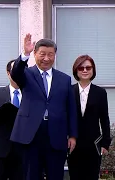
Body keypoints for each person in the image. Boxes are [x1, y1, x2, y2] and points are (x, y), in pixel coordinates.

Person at [10, 34, 78, 180]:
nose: (46, 58)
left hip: (56, 135)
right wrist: (24, 54)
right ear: (35, 54)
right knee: (31, 175)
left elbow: (71, 109)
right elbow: (15, 73)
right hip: (31, 134)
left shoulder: (64, 79)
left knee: (55, 175)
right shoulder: (26, 74)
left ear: (54, 56)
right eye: (42, 54)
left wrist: (72, 135)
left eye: (50, 54)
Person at [67, 55, 111, 180]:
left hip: (94, 145)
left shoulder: (100, 93)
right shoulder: (69, 91)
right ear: (76, 70)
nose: (85, 70)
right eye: (81, 68)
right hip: (73, 144)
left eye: (88, 67)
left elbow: (104, 118)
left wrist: (105, 143)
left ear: (93, 70)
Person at [0, 59, 23, 180]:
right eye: (14, 70)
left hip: (22, 148)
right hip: (0, 147)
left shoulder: (30, 93)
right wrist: (3, 110)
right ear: (8, 73)